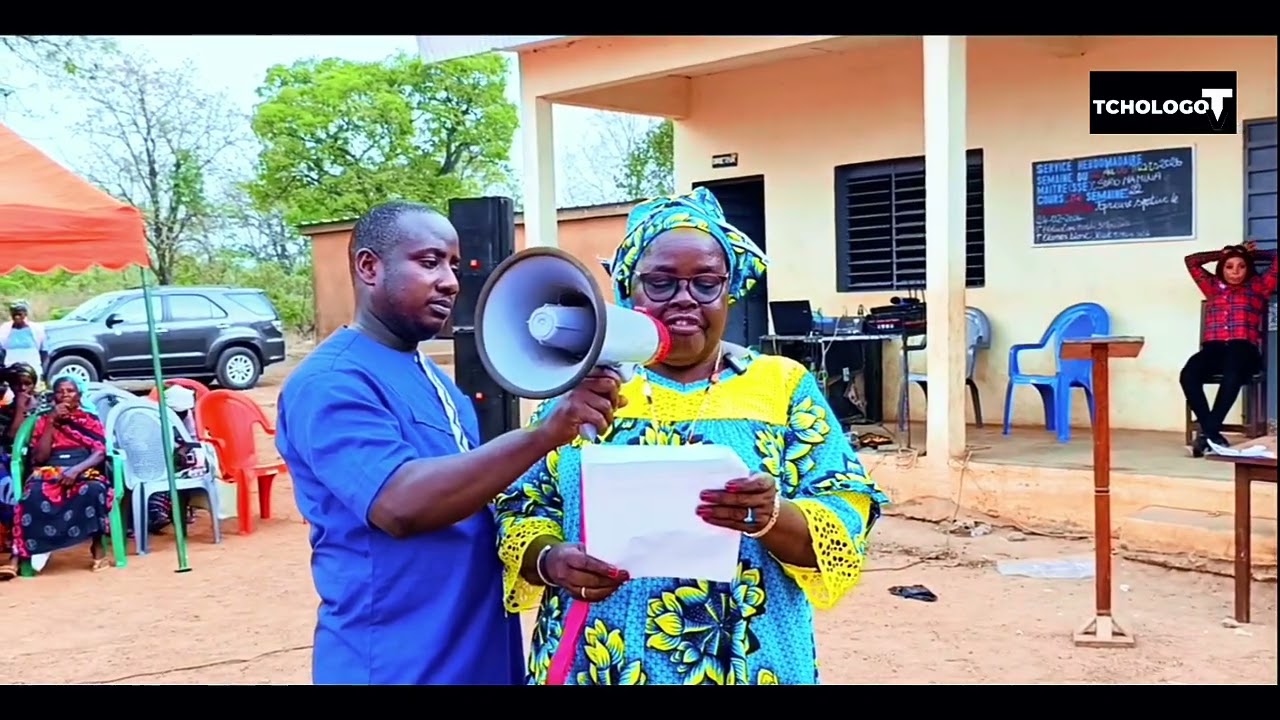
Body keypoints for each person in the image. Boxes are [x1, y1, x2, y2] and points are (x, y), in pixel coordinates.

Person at [493, 188, 890, 686]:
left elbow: (847, 511)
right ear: (629, 289)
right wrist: (551, 560)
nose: (684, 298)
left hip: (752, 659)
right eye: (660, 282)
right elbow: (522, 509)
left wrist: (770, 518)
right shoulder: (582, 390)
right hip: (597, 660)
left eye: (705, 283)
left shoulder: (782, 386)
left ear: (730, 289)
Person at [275, 200, 624, 685]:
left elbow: (475, 502)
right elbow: (400, 504)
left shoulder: (437, 381)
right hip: (398, 663)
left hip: (476, 653)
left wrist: (546, 558)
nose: (451, 281)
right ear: (369, 267)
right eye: (429, 261)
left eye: (455, 265)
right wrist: (546, 434)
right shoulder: (332, 382)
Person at [1180, 241, 1278, 456]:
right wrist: (1225, 253)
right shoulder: (1212, 287)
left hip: (1243, 348)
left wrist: (1250, 254)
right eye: (1229, 266)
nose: (1235, 272)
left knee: (1233, 372)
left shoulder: (1258, 287)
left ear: (1249, 267)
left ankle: (1206, 434)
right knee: (1188, 374)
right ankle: (1212, 433)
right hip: (1214, 349)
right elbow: (1192, 261)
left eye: (1241, 266)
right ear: (1221, 268)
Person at [10, 374, 113, 574]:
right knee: (32, 495)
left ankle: (98, 547)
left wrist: (76, 470)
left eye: (70, 391)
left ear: (79, 395)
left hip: (83, 468)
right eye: (60, 391)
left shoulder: (89, 420)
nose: (65, 395)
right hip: (50, 470)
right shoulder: (42, 420)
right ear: (53, 397)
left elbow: (100, 452)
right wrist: (51, 421)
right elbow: (40, 457)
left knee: (94, 490)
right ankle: (23, 555)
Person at [0, 363, 39, 580]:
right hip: (13, 463)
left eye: (27, 383)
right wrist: (20, 410)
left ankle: (17, 550)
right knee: (7, 488)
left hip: (40, 462)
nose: (23, 388)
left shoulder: (46, 403)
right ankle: (14, 545)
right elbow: (11, 439)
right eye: (17, 384)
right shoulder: (7, 409)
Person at [0, 301, 48, 381]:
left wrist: (44, 372)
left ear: (25, 314)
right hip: (11, 372)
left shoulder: (37, 329)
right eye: (14, 314)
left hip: (33, 371)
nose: (17, 317)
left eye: (19, 314)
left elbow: (44, 353)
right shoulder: (4, 329)